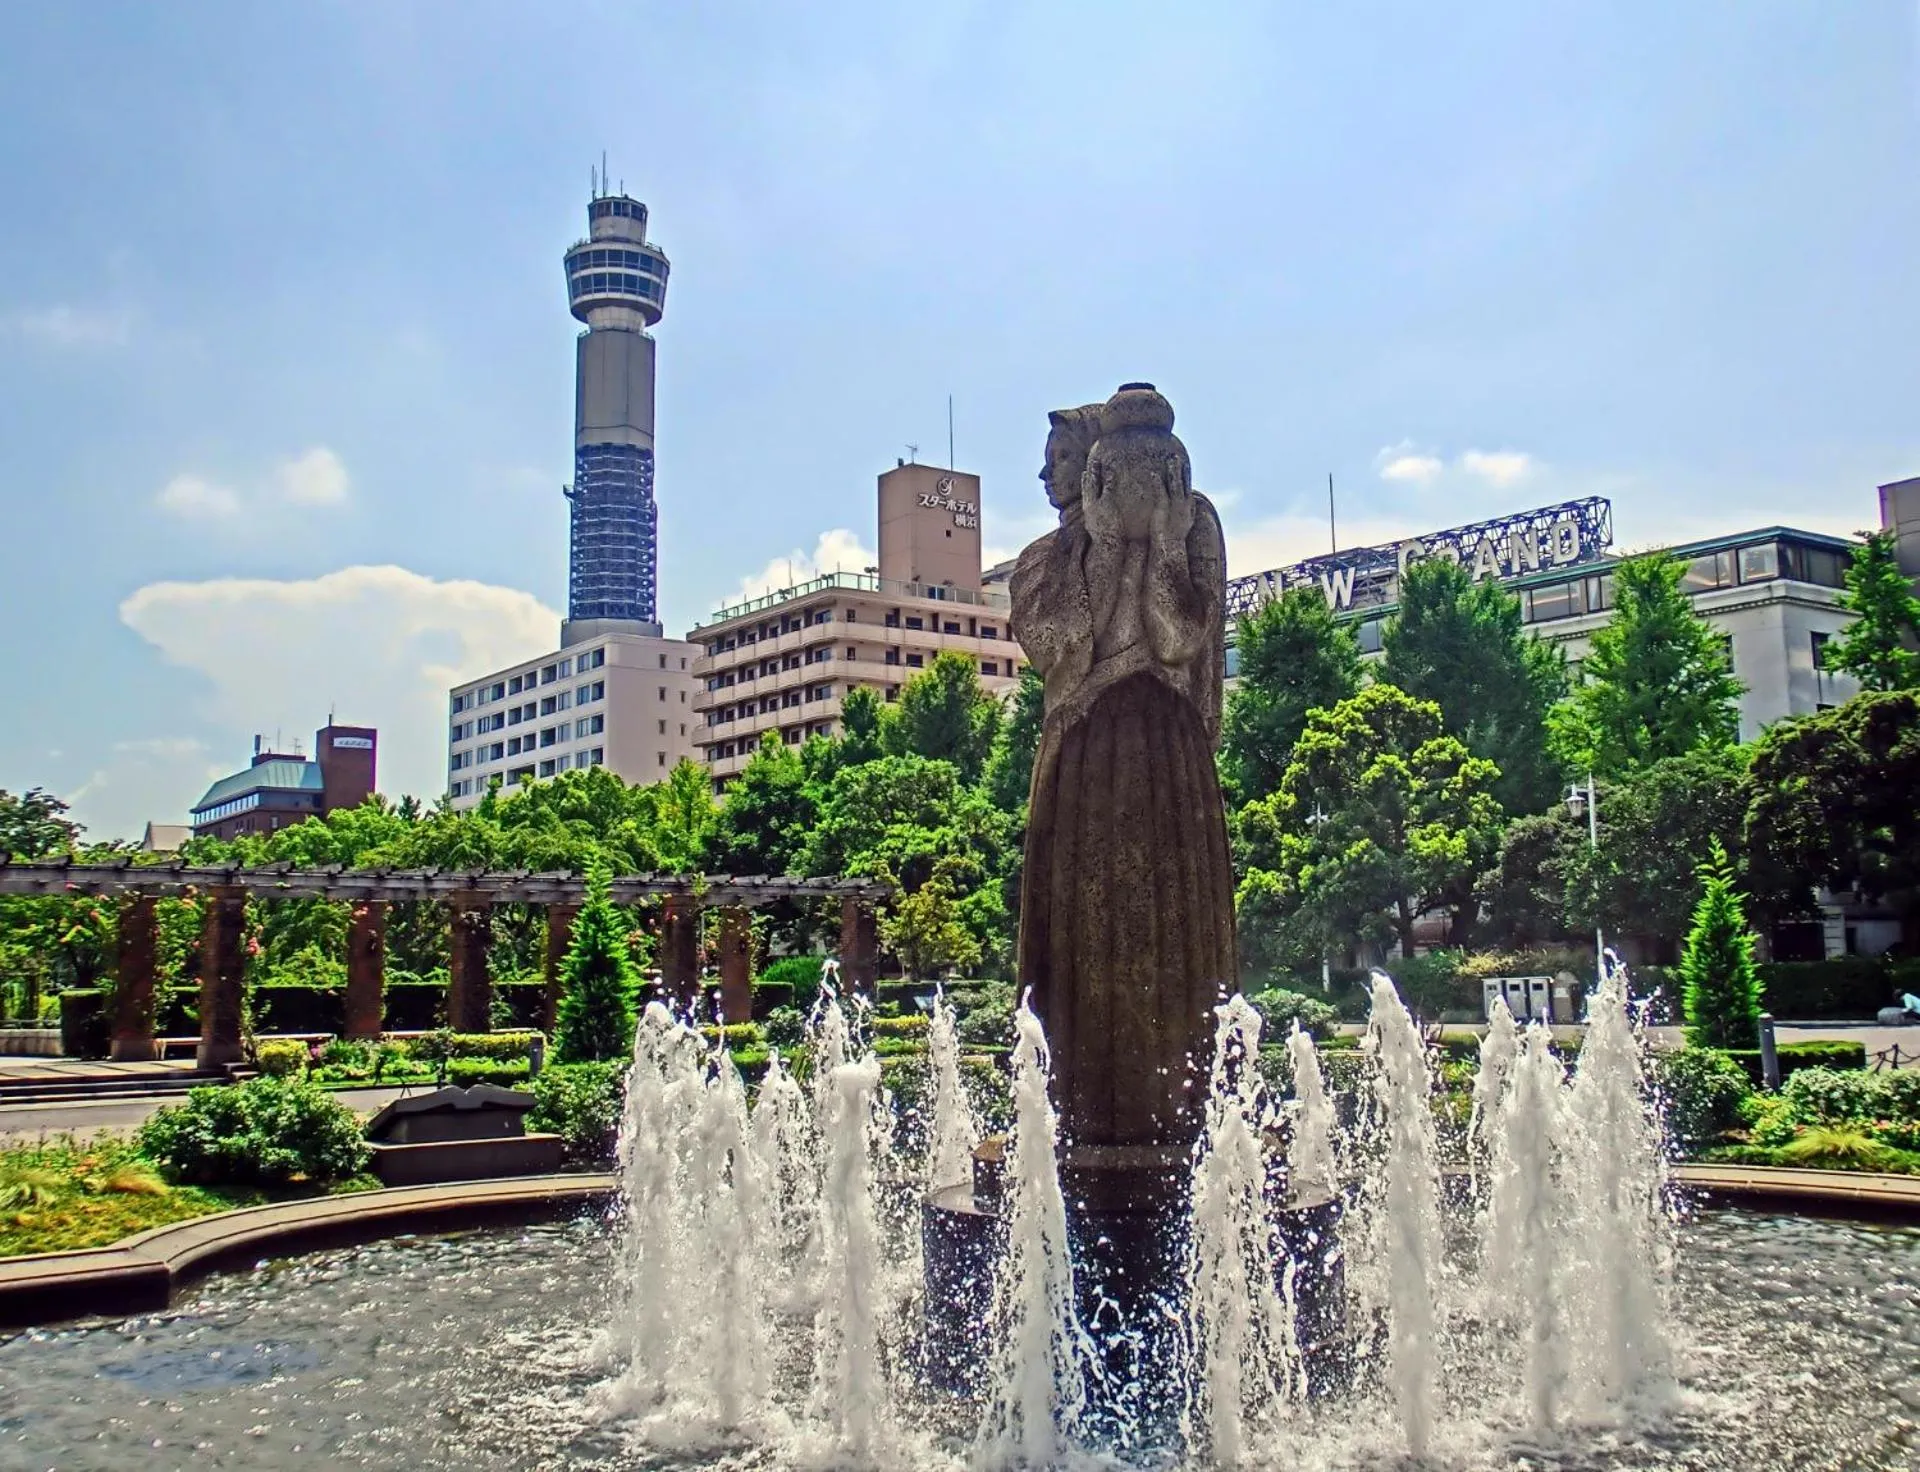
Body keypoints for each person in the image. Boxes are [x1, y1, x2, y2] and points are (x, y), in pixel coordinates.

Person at [1010, 383, 1236, 1162]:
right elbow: (1067, 652)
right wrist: (1109, 546)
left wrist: (1165, 543)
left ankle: (1191, 1114)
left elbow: (1178, 643)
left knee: (1177, 925)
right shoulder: (1043, 561)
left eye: (1061, 459)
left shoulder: (1192, 522)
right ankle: (1076, 1109)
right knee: (1078, 936)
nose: (1047, 477)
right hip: (1084, 765)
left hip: (1169, 764)